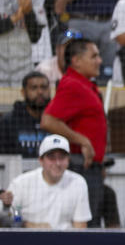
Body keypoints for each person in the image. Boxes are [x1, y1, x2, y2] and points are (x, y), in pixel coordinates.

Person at [41, 37, 108, 225]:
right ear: (77, 60)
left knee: (91, 223)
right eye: (94, 56)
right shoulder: (73, 85)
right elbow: (48, 120)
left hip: (90, 167)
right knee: (84, 225)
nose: (100, 61)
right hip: (79, 168)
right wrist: (82, 141)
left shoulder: (86, 85)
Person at [7, 134, 92, 229]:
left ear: (68, 160)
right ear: (41, 160)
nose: (57, 163)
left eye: (62, 157)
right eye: (52, 158)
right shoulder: (21, 183)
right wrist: (28, 225)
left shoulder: (78, 183)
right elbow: (12, 214)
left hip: (65, 241)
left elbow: (80, 227)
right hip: (29, 240)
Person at [0, 70, 50, 156]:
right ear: (23, 92)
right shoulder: (8, 122)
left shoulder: (59, 120)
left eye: (44, 87)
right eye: (34, 88)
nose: (40, 92)